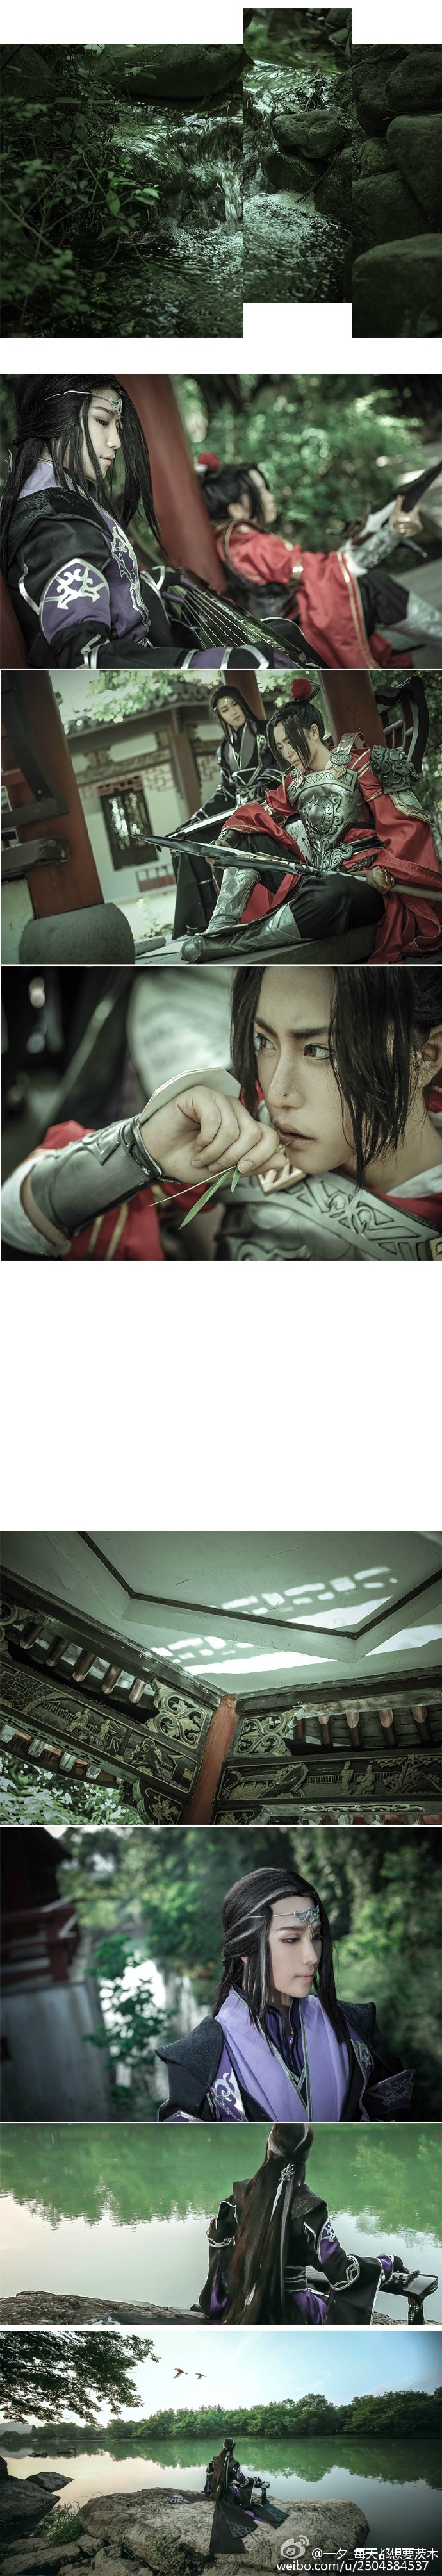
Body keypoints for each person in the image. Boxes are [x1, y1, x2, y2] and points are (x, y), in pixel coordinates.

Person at [2, 965, 441, 1261]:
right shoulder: (248, 1126)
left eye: (320, 1051)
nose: (280, 1092)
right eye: (264, 1042)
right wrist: (139, 1152)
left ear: (426, 1057)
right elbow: (18, 1221)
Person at [0, 379, 276, 673]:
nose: (116, 441)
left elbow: (99, 577)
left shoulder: (59, 497)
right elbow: (84, 658)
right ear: (56, 418)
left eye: (117, 426)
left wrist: (155, 580)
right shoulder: (58, 524)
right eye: (102, 421)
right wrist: (211, 664)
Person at [181, 683, 442, 961]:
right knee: (248, 838)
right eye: (280, 746)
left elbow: (406, 830)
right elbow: (256, 813)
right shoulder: (294, 782)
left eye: (290, 742)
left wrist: (384, 870)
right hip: (315, 876)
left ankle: (236, 942)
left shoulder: (362, 765)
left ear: (314, 732)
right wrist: (227, 840)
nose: (286, 753)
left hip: (363, 882)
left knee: (331, 894)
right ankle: (218, 929)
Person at [155, 1865, 414, 2120]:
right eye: (291, 1939)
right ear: (245, 1947)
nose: (312, 1957)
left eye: (316, 1936)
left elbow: (397, 2129)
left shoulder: (356, 2027)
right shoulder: (196, 2060)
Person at [199, 459, 442, 667]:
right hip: (297, 632)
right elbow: (323, 571)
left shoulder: (232, 539)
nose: (270, 497)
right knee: (369, 584)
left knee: (358, 582)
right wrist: (394, 532)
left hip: (288, 624)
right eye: (260, 492)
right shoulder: (249, 545)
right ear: (236, 509)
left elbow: (316, 568)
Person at [198, 2122, 418, 2323]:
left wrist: (236, 2280)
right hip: (292, 2313)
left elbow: (217, 2237)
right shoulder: (309, 2209)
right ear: (305, 2157)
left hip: (245, 2302)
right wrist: (386, 2263)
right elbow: (342, 2273)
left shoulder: (241, 2195)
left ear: (269, 2147)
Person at [169, 685, 280, 938]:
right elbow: (226, 792)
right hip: (238, 812)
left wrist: (263, 783)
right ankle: (203, 919)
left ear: (243, 703)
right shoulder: (224, 750)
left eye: (235, 704)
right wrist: (194, 820)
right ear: (220, 716)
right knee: (191, 840)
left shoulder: (267, 731)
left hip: (267, 805)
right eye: (225, 710)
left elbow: (282, 763)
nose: (233, 712)